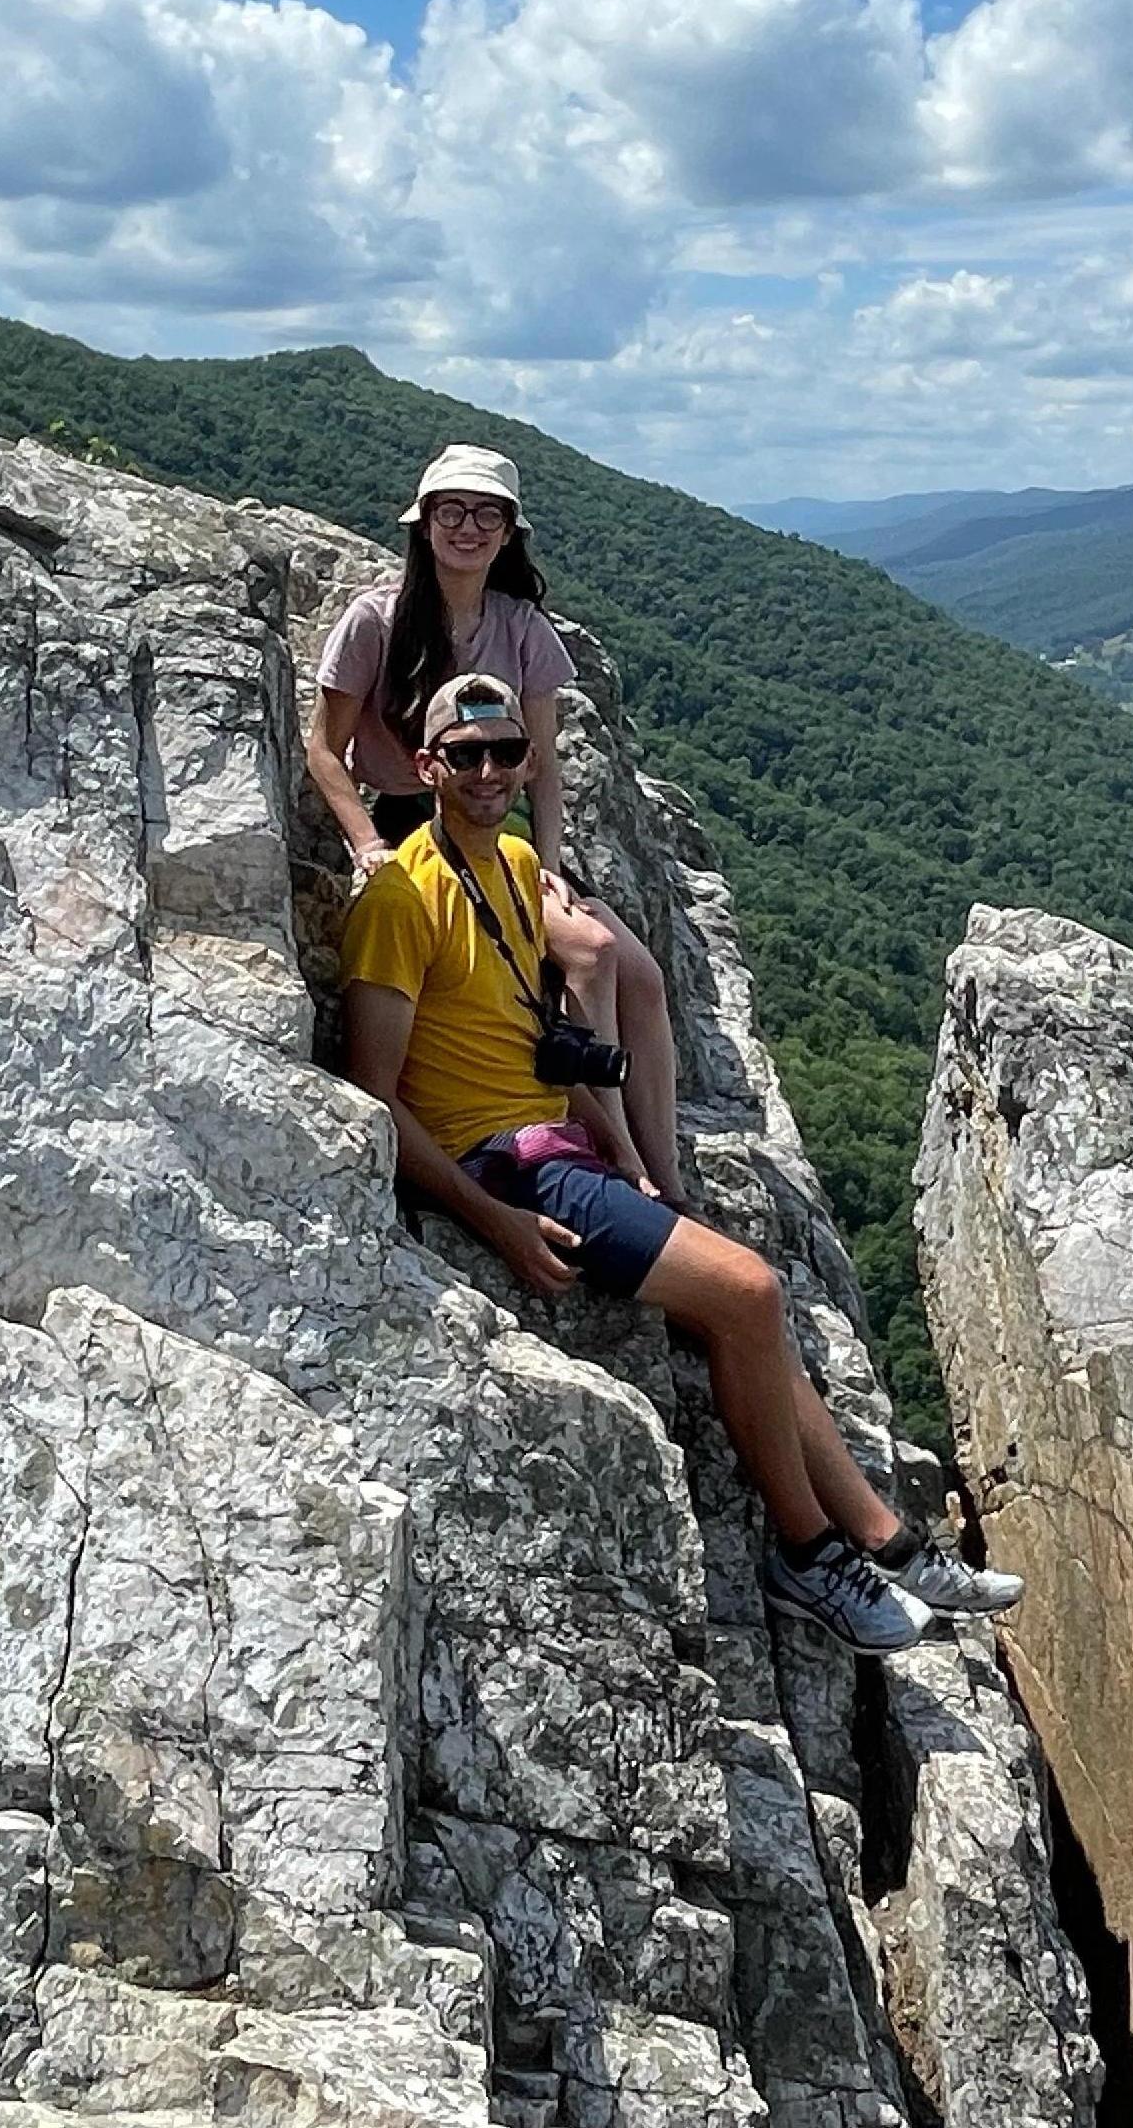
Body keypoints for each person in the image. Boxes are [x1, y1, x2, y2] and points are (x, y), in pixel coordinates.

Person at [340, 670, 1021, 1656]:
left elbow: (524, 1039)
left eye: (506, 753)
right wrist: (497, 1223)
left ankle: (893, 1544)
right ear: (426, 764)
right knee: (747, 1290)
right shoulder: (403, 898)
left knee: (749, 1315)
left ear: (526, 765)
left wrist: (619, 1146)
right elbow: (376, 1095)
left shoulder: (515, 863)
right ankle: (808, 1557)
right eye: (466, 754)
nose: (488, 771)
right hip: (509, 1167)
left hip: (562, 1145)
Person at [308, 446, 682, 1199]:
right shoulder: (375, 620)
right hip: (413, 822)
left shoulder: (520, 626)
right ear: (425, 524)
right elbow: (323, 746)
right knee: (592, 949)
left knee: (642, 977)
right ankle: (622, 1162)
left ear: (509, 533)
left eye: (486, 514)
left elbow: (538, 761)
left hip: (496, 831)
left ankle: (669, 1179)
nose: (468, 528)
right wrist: (368, 844)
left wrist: (546, 863)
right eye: (452, 511)